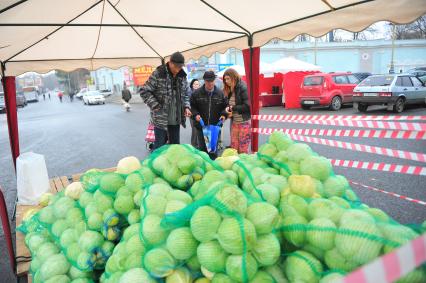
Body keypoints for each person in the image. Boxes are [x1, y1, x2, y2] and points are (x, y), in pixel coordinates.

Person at [139, 51, 192, 149]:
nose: (177, 70)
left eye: (180, 67)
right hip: (160, 120)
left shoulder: (182, 76)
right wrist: (155, 105)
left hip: (175, 119)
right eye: (176, 67)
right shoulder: (159, 74)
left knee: (175, 149)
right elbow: (144, 91)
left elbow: (185, 94)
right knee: (160, 148)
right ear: (170, 63)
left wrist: (187, 107)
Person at [190, 71, 227, 153]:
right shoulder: (196, 94)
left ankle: (213, 164)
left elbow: (225, 107)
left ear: (214, 80)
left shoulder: (220, 94)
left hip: (215, 127)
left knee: (213, 150)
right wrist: (196, 115)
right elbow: (192, 107)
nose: (210, 83)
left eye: (212, 81)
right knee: (203, 151)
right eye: (208, 81)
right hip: (202, 127)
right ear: (204, 81)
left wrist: (224, 115)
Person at [223, 68, 251, 153]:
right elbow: (229, 103)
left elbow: (247, 106)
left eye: (228, 79)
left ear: (234, 77)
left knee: (243, 149)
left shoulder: (243, 87)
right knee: (234, 148)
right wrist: (228, 109)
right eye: (225, 79)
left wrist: (233, 108)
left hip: (244, 122)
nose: (226, 81)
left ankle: (243, 165)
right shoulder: (231, 88)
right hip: (235, 122)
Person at [188, 79, 200, 147]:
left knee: (198, 129)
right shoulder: (190, 93)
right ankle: (194, 144)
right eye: (195, 84)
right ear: (192, 85)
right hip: (192, 114)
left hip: (199, 114)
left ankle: (198, 144)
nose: (196, 85)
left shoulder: (200, 92)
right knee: (194, 129)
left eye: (197, 84)